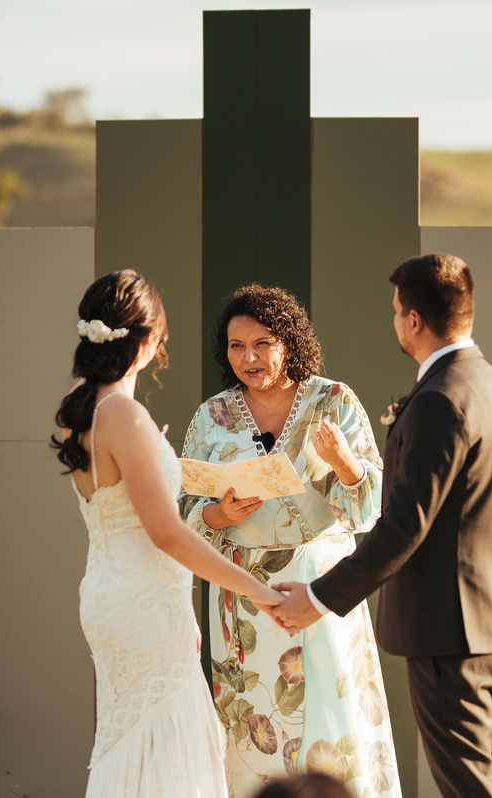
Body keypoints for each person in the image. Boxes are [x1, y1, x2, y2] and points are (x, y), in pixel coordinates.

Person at [273, 254, 492, 798]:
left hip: (450, 631)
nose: (394, 322)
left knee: (472, 789)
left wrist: (318, 598)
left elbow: (405, 526)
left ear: (414, 320)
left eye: (395, 312)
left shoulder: (439, 400)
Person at [52, 270, 285, 798]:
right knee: (169, 754)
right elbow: (166, 533)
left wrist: (184, 611)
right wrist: (257, 589)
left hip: (114, 596)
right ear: (151, 341)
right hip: (143, 605)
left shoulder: (80, 410)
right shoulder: (124, 415)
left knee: (135, 748)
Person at [178, 284, 401, 798]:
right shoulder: (211, 416)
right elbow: (181, 508)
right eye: (236, 346)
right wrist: (217, 513)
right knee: (252, 726)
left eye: (263, 343)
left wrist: (345, 464)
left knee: (333, 714)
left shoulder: (334, 400)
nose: (249, 357)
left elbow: (372, 509)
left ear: (290, 342)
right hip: (242, 596)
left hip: (321, 585)